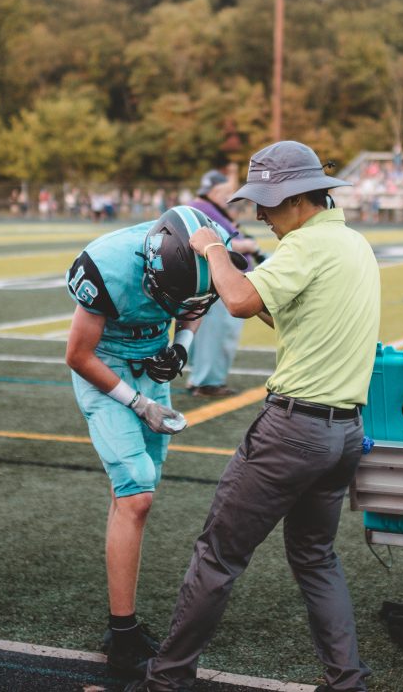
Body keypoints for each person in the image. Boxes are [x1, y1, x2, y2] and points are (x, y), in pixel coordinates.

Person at [128, 140, 382, 692]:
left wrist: (214, 250)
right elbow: (289, 320)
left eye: (266, 203)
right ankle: (347, 683)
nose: (261, 214)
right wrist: (237, 277)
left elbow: (242, 303)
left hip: (293, 431)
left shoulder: (304, 248)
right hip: (344, 434)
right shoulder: (354, 245)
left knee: (217, 557)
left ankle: (165, 680)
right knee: (316, 558)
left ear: (295, 197)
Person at [64, 205, 237, 678]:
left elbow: (197, 307)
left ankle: (122, 619)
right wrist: (137, 402)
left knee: (139, 492)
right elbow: (77, 354)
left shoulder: (208, 251)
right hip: (107, 365)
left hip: (153, 359)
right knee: (137, 492)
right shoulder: (108, 264)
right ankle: (121, 631)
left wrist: (180, 347)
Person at [184, 168, 261, 398]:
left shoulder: (200, 207)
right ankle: (208, 382)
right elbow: (211, 242)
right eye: (226, 191)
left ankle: (200, 378)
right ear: (216, 191)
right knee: (218, 333)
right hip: (219, 280)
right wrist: (247, 246)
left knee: (206, 333)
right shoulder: (204, 209)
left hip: (211, 280)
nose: (229, 197)